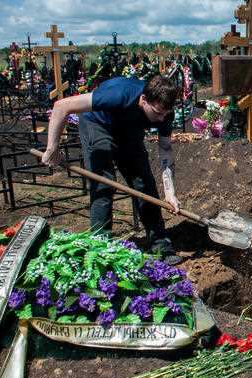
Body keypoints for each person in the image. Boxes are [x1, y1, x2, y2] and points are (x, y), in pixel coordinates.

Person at [41, 75, 181, 260]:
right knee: (104, 182)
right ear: (144, 100)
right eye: (157, 113)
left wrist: (170, 192)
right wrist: (52, 147)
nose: (162, 118)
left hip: (128, 129)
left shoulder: (164, 111)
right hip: (97, 123)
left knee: (144, 182)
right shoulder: (119, 94)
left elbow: (165, 150)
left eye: (165, 114)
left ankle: (159, 242)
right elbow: (62, 106)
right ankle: (100, 247)